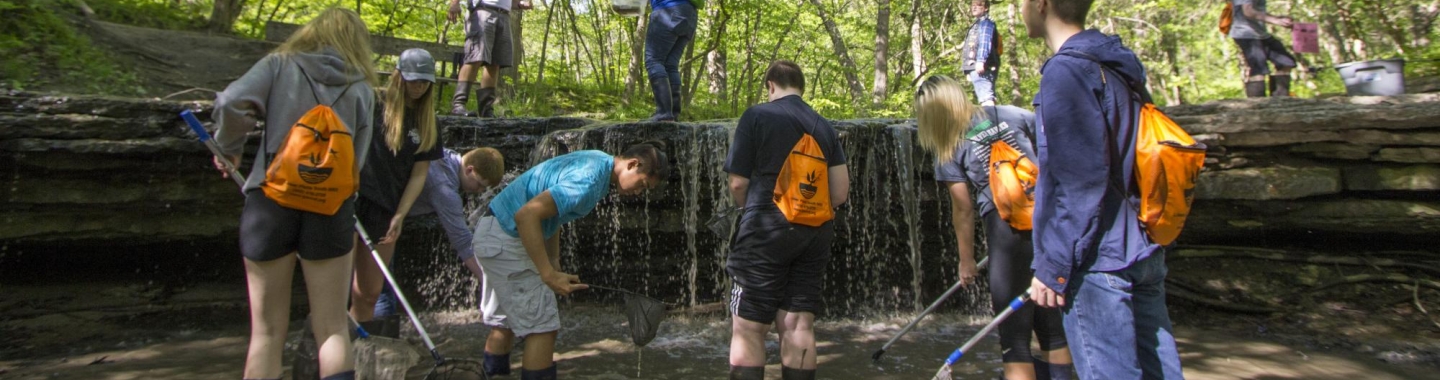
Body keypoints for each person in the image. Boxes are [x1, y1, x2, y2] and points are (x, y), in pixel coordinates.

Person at [1020, 0, 1184, 378]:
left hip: (1096, 262)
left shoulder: (1066, 72)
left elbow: (1081, 181)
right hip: (1141, 249)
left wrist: (1053, 267)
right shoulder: (1117, 63)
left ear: (1041, 5)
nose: (1021, 10)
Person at [210, 7, 377, 380]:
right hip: (332, 208)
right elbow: (358, 159)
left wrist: (230, 145)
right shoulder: (363, 87)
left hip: (272, 201)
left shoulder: (279, 65)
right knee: (333, 328)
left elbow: (230, 101)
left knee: (266, 334)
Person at [914, 75, 1073, 380]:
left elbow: (963, 209)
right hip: (1050, 223)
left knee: (1014, 334)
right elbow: (1053, 147)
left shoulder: (949, 147)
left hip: (1007, 232)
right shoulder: (1012, 114)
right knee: (1052, 324)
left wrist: (966, 260)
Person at [474, 142, 670, 379]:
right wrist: (547, 274)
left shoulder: (598, 160)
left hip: (493, 233)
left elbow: (552, 214)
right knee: (543, 330)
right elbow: (527, 215)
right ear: (632, 164)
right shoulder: (588, 181)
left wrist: (554, 262)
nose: (639, 193)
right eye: (642, 185)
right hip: (507, 239)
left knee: (504, 325)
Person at [724, 60, 850, 380]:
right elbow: (839, 194)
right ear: (801, 87)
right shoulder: (823, 125)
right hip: (815, 232)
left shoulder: (757, 115)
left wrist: (749, 211)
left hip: (765, 229)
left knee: (750, 326)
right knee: (798, 324)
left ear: (770, 86)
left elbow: (738, 183)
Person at [349, 48, 445, 331]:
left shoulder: (428, 122)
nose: (418, 86)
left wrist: (400, 215)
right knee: (338, 287)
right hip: (350, 200)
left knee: (368, 292)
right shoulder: (372, 102)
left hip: (386, 209)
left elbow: (418, 174)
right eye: (413, 79)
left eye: (424, 82)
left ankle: (358, 350)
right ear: (398, 75)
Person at [370, 147, 507, 336]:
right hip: (379, 216)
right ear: (470, 170)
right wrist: (489, 280)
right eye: (480, 185)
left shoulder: (445, 156)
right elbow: (463, 242)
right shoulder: (445, 190)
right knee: (380, 292)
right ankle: (382, 349)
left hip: (376, 206)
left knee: (373, 288)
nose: (479, 192)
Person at [447, 0, 533, 117]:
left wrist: (519, 3)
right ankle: (458, 105)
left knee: (494, 63)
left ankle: (486, 109)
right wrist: (454, 3)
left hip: (504, 15)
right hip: (481, 11)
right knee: (475, 58)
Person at [644, 0, 699, 121]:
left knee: (653, 60)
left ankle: (664, 113)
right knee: (670, 65)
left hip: (668, 11)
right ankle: (673, 114)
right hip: (689, 14)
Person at [1229, 0, 1297, 98]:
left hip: (1261, 34)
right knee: (1259, 68)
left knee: (1286, 62)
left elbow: (1258, 11)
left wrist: (1278, 18)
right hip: (1246, 34)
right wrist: (1275, 21)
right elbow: (1248, 12)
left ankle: (1280, 97)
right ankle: (1257, 103)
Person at [961, 0, 1002, 106]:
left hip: (983, 67)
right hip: (977, 68)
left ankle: (991, 121)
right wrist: (968, 70)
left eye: (978, 5)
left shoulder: (986, 22)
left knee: (986, 99)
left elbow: (985, 41)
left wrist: (980, 61)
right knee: (985, 98)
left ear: (986, 8)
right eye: (972, 5)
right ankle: (992, 120)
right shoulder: (977, 24)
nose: (974, 7)